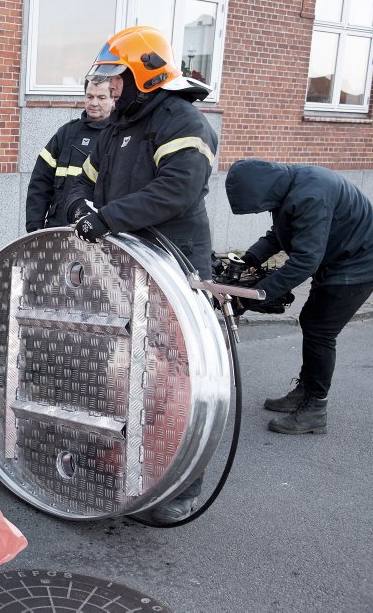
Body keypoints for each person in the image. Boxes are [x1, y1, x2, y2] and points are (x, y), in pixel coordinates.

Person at [63, 26, 218, 523]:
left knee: (174, 377)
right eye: (106, 79)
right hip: (124, 263)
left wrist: (107, 218)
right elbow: (83, 181)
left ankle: (177, 485)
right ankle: (120, 459)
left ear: (144, 75)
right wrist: (80, 208)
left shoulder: (181, 121)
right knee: (121, 364)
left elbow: (177, 189)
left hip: (174, 263)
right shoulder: (117, 127)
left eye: (118, 77)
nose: (109, 88)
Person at [226, 159, 373, 435]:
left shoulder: (310, 195)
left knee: (320, 329)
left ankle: (315, 408)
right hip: (342, 258)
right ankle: (305, 390)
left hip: (362, 262)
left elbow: (305, 262)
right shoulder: (288, 186)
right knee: (311, 321)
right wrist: (248, 260)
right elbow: (279, 235)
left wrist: (254, 296)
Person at [25, 80, 114, 232]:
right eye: (90, 96)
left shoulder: (118, 136)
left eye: (101, 97)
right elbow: (40, 182)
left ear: (113, 100)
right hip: (58, 228)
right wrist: (35, 227)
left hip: (97, 232)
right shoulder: (66, 134)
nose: (94, 103)